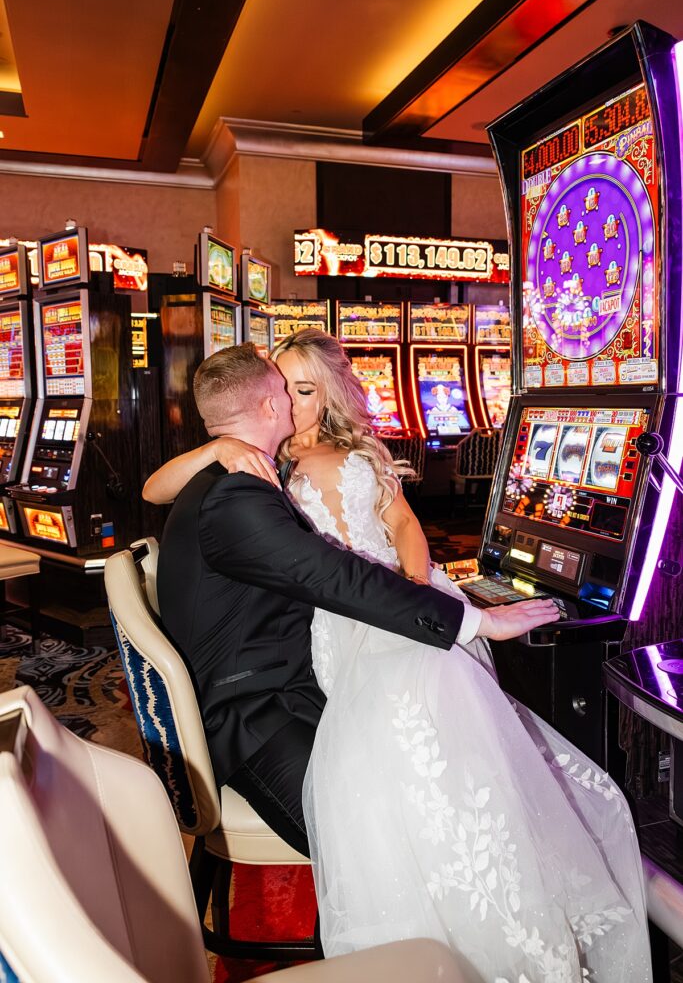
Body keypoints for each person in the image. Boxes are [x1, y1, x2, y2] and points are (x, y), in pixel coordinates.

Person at [149, 334, 651, 982]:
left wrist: (428, 596)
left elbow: (379, 543)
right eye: (286, 390)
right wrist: (474, 618)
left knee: (441, 742)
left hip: (300, 660)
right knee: (399, 812)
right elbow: (333, 577)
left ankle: (482, 905)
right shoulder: (240, 488)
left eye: (306, 388)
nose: (295, 403)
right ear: (270, 403)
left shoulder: (248, 474)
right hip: (256, 707)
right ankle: (436, 944)